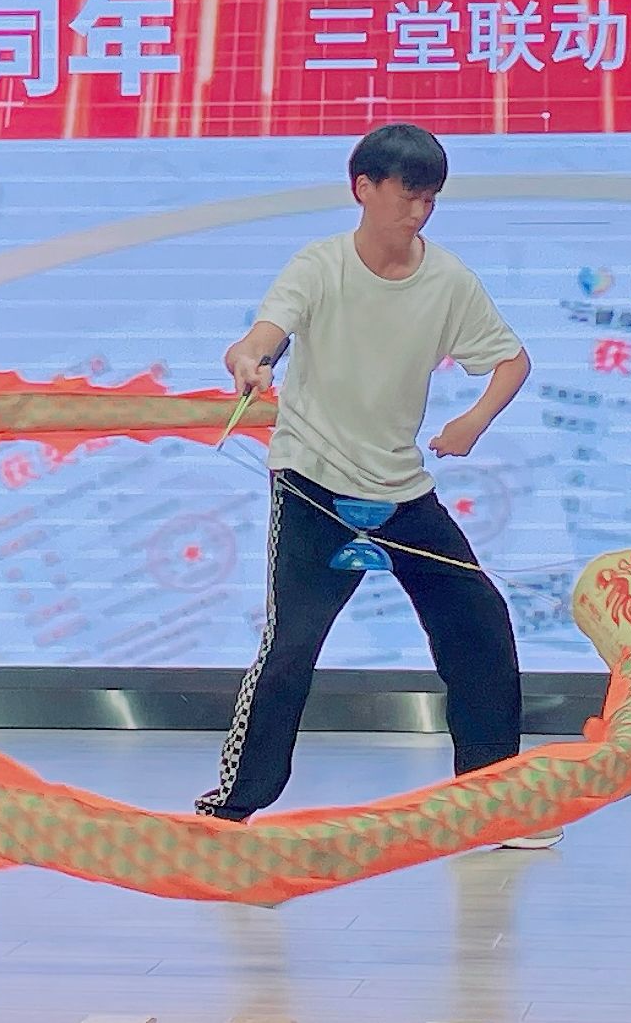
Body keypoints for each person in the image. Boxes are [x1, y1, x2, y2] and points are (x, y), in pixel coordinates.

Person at [195, 123, 559, 848]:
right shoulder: (320, 265)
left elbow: (511, 360)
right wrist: (249, 359)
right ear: (363, 188)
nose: (419, 212)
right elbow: (263, 334)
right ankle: (229, 810)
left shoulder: (448, 281)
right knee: (290, 645)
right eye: (406, 196)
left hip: (401, 489)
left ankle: (493, 804)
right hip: (313, 482)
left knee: (479, 622)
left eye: (430, 199)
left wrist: (472, 421)